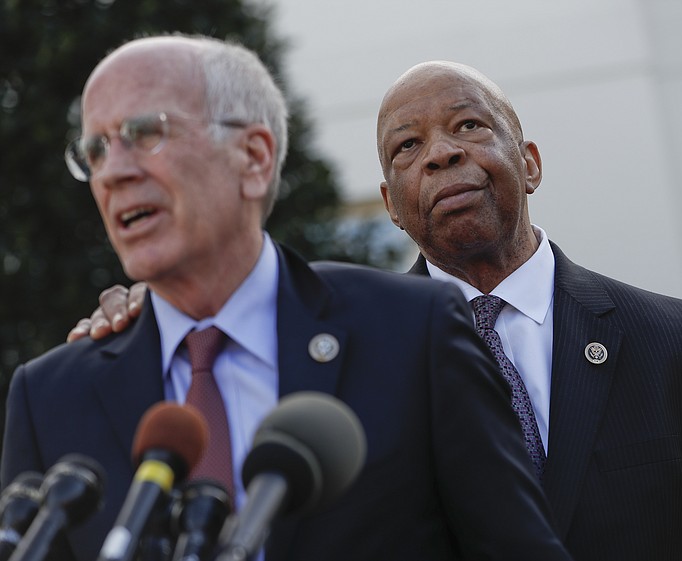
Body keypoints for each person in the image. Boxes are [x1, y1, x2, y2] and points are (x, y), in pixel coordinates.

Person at [78, 60, 682, 561]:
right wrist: (162, 310)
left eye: (470, 126)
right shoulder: (342, 355)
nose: (442, 155)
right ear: (390, 206)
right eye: (408, 147)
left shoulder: (680, 345)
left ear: (531, 161)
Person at [1, 38, 574, 561]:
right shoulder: (49, 397)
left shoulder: (412, 333)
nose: (113, 172)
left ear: (252, 157)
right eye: (96, 151)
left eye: (145, 133)